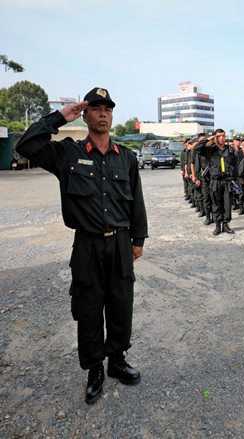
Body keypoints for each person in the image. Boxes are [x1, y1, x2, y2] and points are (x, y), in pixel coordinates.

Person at [16, 87, 148, 405]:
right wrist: (60, 116)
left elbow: (137, 202)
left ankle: (116, 361)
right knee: (88, 310)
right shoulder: (67, 154)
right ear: (86, 114)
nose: (103, 113)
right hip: (87, 245)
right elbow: (26, 145)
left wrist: (138, 239)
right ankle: (94, 370)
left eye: (108, 109)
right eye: (96, 108)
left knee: (120, 305)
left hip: (119, 245)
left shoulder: (126, 158)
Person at [205, 129, 238, 235]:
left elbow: (235, 164)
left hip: (227, 181)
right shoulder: (211, 150)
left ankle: (225, 225)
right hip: (216, 181)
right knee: (216, 204)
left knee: (227, 204)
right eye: (219, 136)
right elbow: (197, 148)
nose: (222, 138)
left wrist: (235, 178)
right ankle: (217, 226)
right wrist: (211, 138)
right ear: (215, 137)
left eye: (223, 135)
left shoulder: (230, 149)